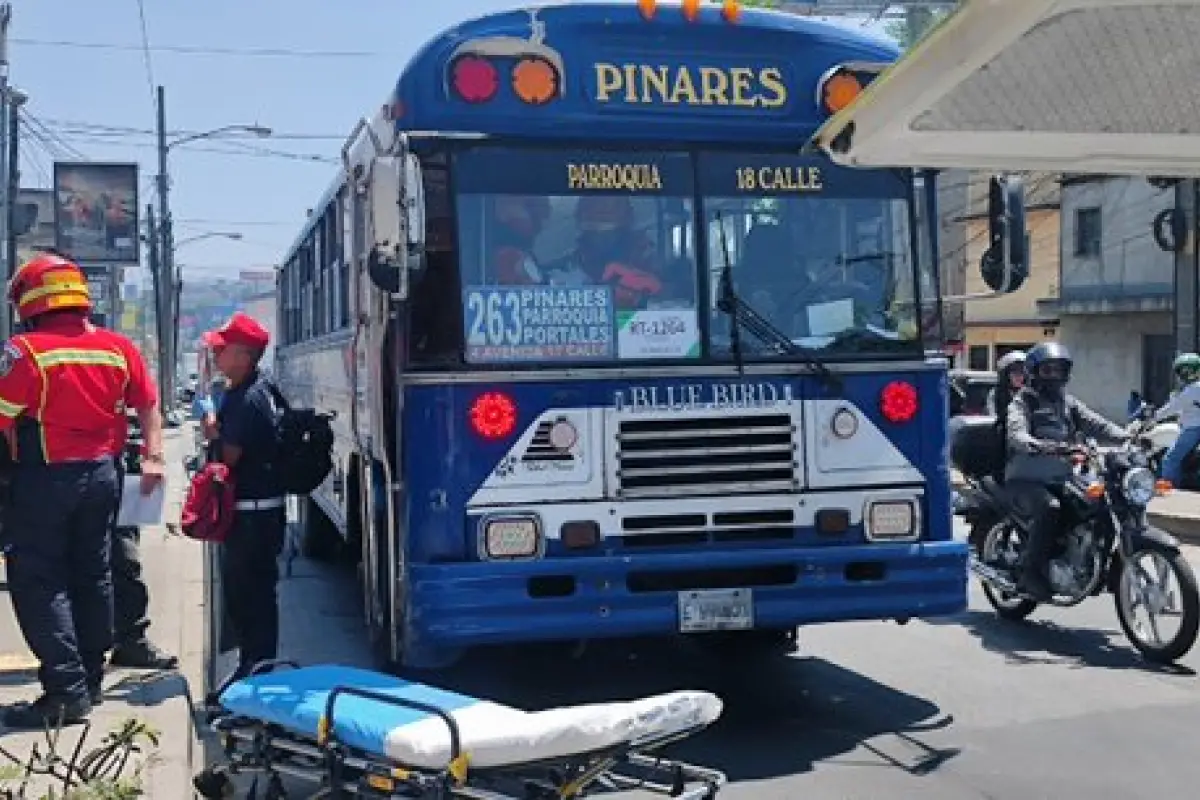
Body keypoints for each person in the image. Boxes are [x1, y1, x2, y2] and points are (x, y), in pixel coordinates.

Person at [0, 252, 164, 727]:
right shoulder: (117, 347)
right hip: (104, 476)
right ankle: (89, 683)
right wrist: (153, 455)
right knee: (93, 577)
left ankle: (66, 693)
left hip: (45, 479)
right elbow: (148, 405)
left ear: (30, 302)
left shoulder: (24, 350)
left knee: (39, 581)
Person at [1004, 341, 1128, 600]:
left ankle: (1084, 561)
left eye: (1059, 371)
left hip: (1060, 477)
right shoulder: (1022, 401)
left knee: (1095, 504)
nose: (1054, 376)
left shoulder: (1067, 403)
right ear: (1034, 372)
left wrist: (1129, 436)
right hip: (1026, 479)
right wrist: (1044, 446)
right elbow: (1017, 435)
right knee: (1050, 508)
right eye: (1048, 371)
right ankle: (1030, 574)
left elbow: (1098, 424)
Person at [200, 312, 286, 682]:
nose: (216, 355)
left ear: (242, 355)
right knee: (259, 594)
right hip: (263, 512)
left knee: (247, 596)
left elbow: (229, 457)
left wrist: (210, 431)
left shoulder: (245, 398)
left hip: (250, 516)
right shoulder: (261, 388)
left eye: (222, 349)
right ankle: (257, 664)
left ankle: (255, 668)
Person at [109, 409, 178, 670]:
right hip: (59, 469)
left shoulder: (125, 367)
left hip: (116, 465)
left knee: (124, 559)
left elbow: (148, 406)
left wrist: (154, 455)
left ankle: (130, 642)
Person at [1154, 352, 1200, 488]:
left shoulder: (1193, 389)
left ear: (1189, 371)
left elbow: (1172, 408)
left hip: (1194, 427)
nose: (1179, 376)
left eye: (1181, 372)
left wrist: (1154, 417)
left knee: (1170, 459)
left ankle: (1171, 489)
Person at [986, 350, 1026, 418]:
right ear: (1006, 375)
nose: (1018, 376)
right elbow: (992, 416)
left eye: (1021, 373)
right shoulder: (996, 394)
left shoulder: (1030, 393)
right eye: (1015, 373)